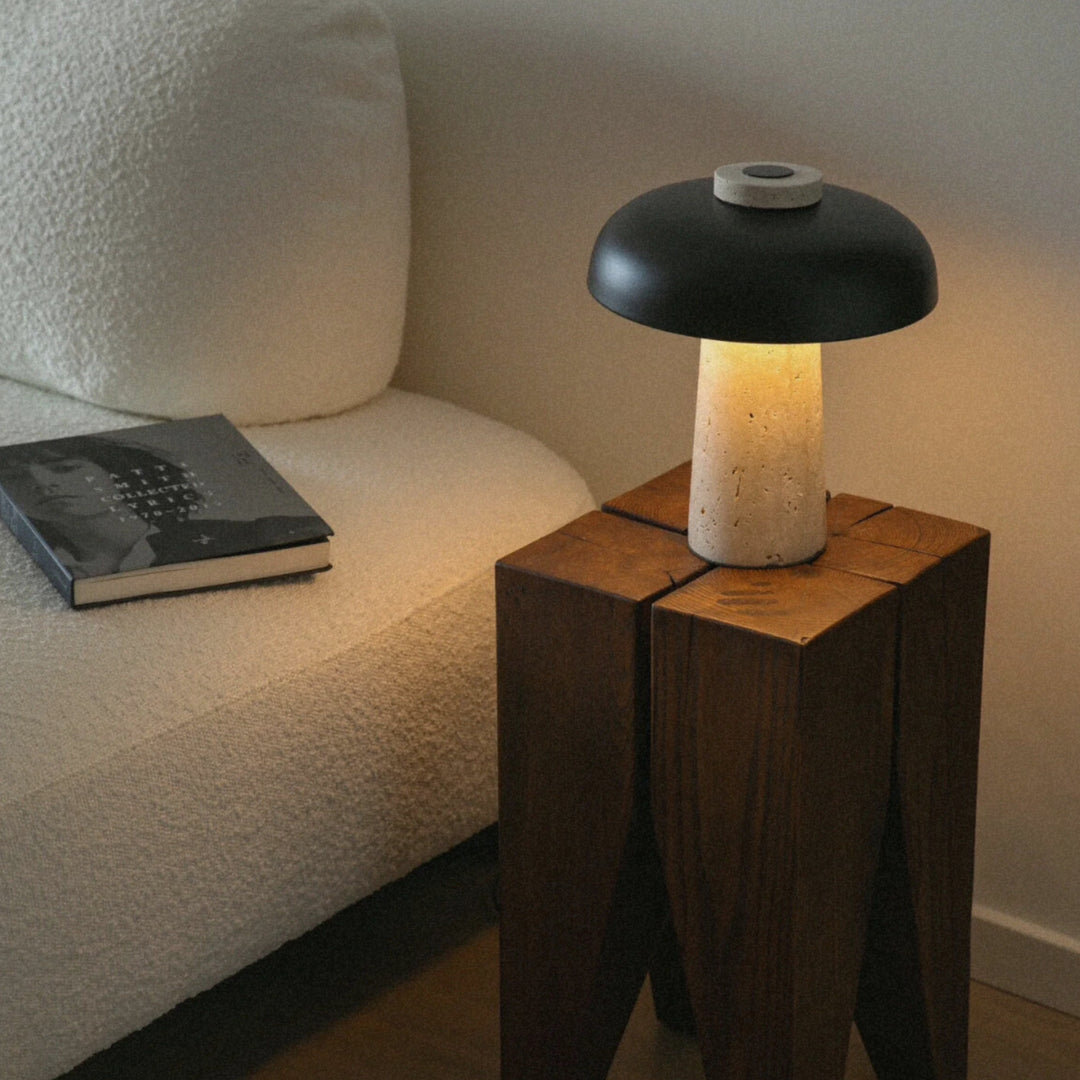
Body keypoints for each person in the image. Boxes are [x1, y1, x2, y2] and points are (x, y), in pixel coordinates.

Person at [0, 433, 324, 579]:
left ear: (115, 474)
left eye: (65, 469)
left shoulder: (257, 532)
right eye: (17, 478)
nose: (43, 484)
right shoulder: (50, 560)